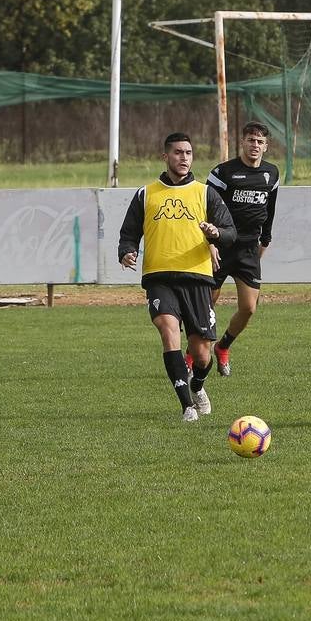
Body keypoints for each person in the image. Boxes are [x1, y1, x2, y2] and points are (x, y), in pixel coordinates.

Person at [118, 133, 236, 422]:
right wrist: (127, 251)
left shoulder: (204, 193)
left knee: (202, 354)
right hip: (160, 278)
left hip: (197, 279)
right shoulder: (146, 194)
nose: (184, 158)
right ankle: (187, 407)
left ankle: (197, 385)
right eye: (178, 153)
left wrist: (215, 234)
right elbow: (129, 233)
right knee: (168, 330)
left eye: (188, 153)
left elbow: (230, 233)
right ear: (166, 157)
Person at [204, 121, 280, 377]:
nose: (255, 145)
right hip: (222, 245)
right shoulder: (222, 172)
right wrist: (211, 243)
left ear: (266, 146)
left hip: (249, 248)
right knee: (207, 305)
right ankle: (194, 355)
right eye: (251, 140)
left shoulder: (272, 174)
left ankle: (223, 347)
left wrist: (265, 240)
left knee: (249, 307)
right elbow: (207, 210)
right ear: (242, 142)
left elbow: (270, 210)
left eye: (260, 141)